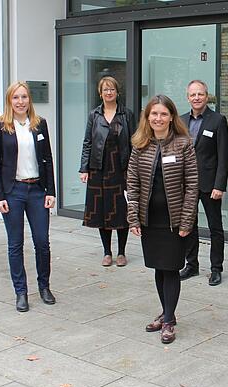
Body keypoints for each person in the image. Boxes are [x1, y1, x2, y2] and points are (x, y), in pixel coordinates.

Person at [127, 95, 198, 344]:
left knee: (171, 269)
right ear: (147, 117)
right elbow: (132, 184)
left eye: (163, 114)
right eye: (154, 114)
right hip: (150, 219)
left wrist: (187, 220)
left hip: (174, 220)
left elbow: (192, 185)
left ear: (171, 117)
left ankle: (168, 321)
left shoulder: (183, 144)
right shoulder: (139, 145)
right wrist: (133, 217)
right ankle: (167, 312)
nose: (158, 118)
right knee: (158, 267)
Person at [0, 82, 56, 312]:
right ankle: (21, 292)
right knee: (15, 244)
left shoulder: (39, 124)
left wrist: (51, 191)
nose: (20, 101)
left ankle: (44, 287)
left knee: (42, 242)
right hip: (13, 192)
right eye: (16, 97)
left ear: (29, 100)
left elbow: (47, 158)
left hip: (37, 190)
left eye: (24, 97)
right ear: (9, 100)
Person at [79, 76, 135, 267]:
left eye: (112, 89)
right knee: (102, 210)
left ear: (117, 92)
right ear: (100, 93)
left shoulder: (126, 114)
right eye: (105, 90)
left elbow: (134, 143)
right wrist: (84, 168)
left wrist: (134, 168)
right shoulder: (94, 115)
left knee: (122, 210)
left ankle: (121, 252)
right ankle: (107, 251)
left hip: (121, 168)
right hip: (99, 169)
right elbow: (87, 142)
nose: (109, 93)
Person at [179, 80, 228, 286]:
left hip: (210, 185)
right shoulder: (180, 121)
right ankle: (191, 265)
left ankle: (216, 269)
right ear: (188, 97)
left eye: (200, 94)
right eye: (193, 95)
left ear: (207, 96)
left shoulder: (218, 120)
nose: (197, 98)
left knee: (215, 228)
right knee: (189, 226)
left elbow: (223, 156)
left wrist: (220, 185)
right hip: (186, 185)